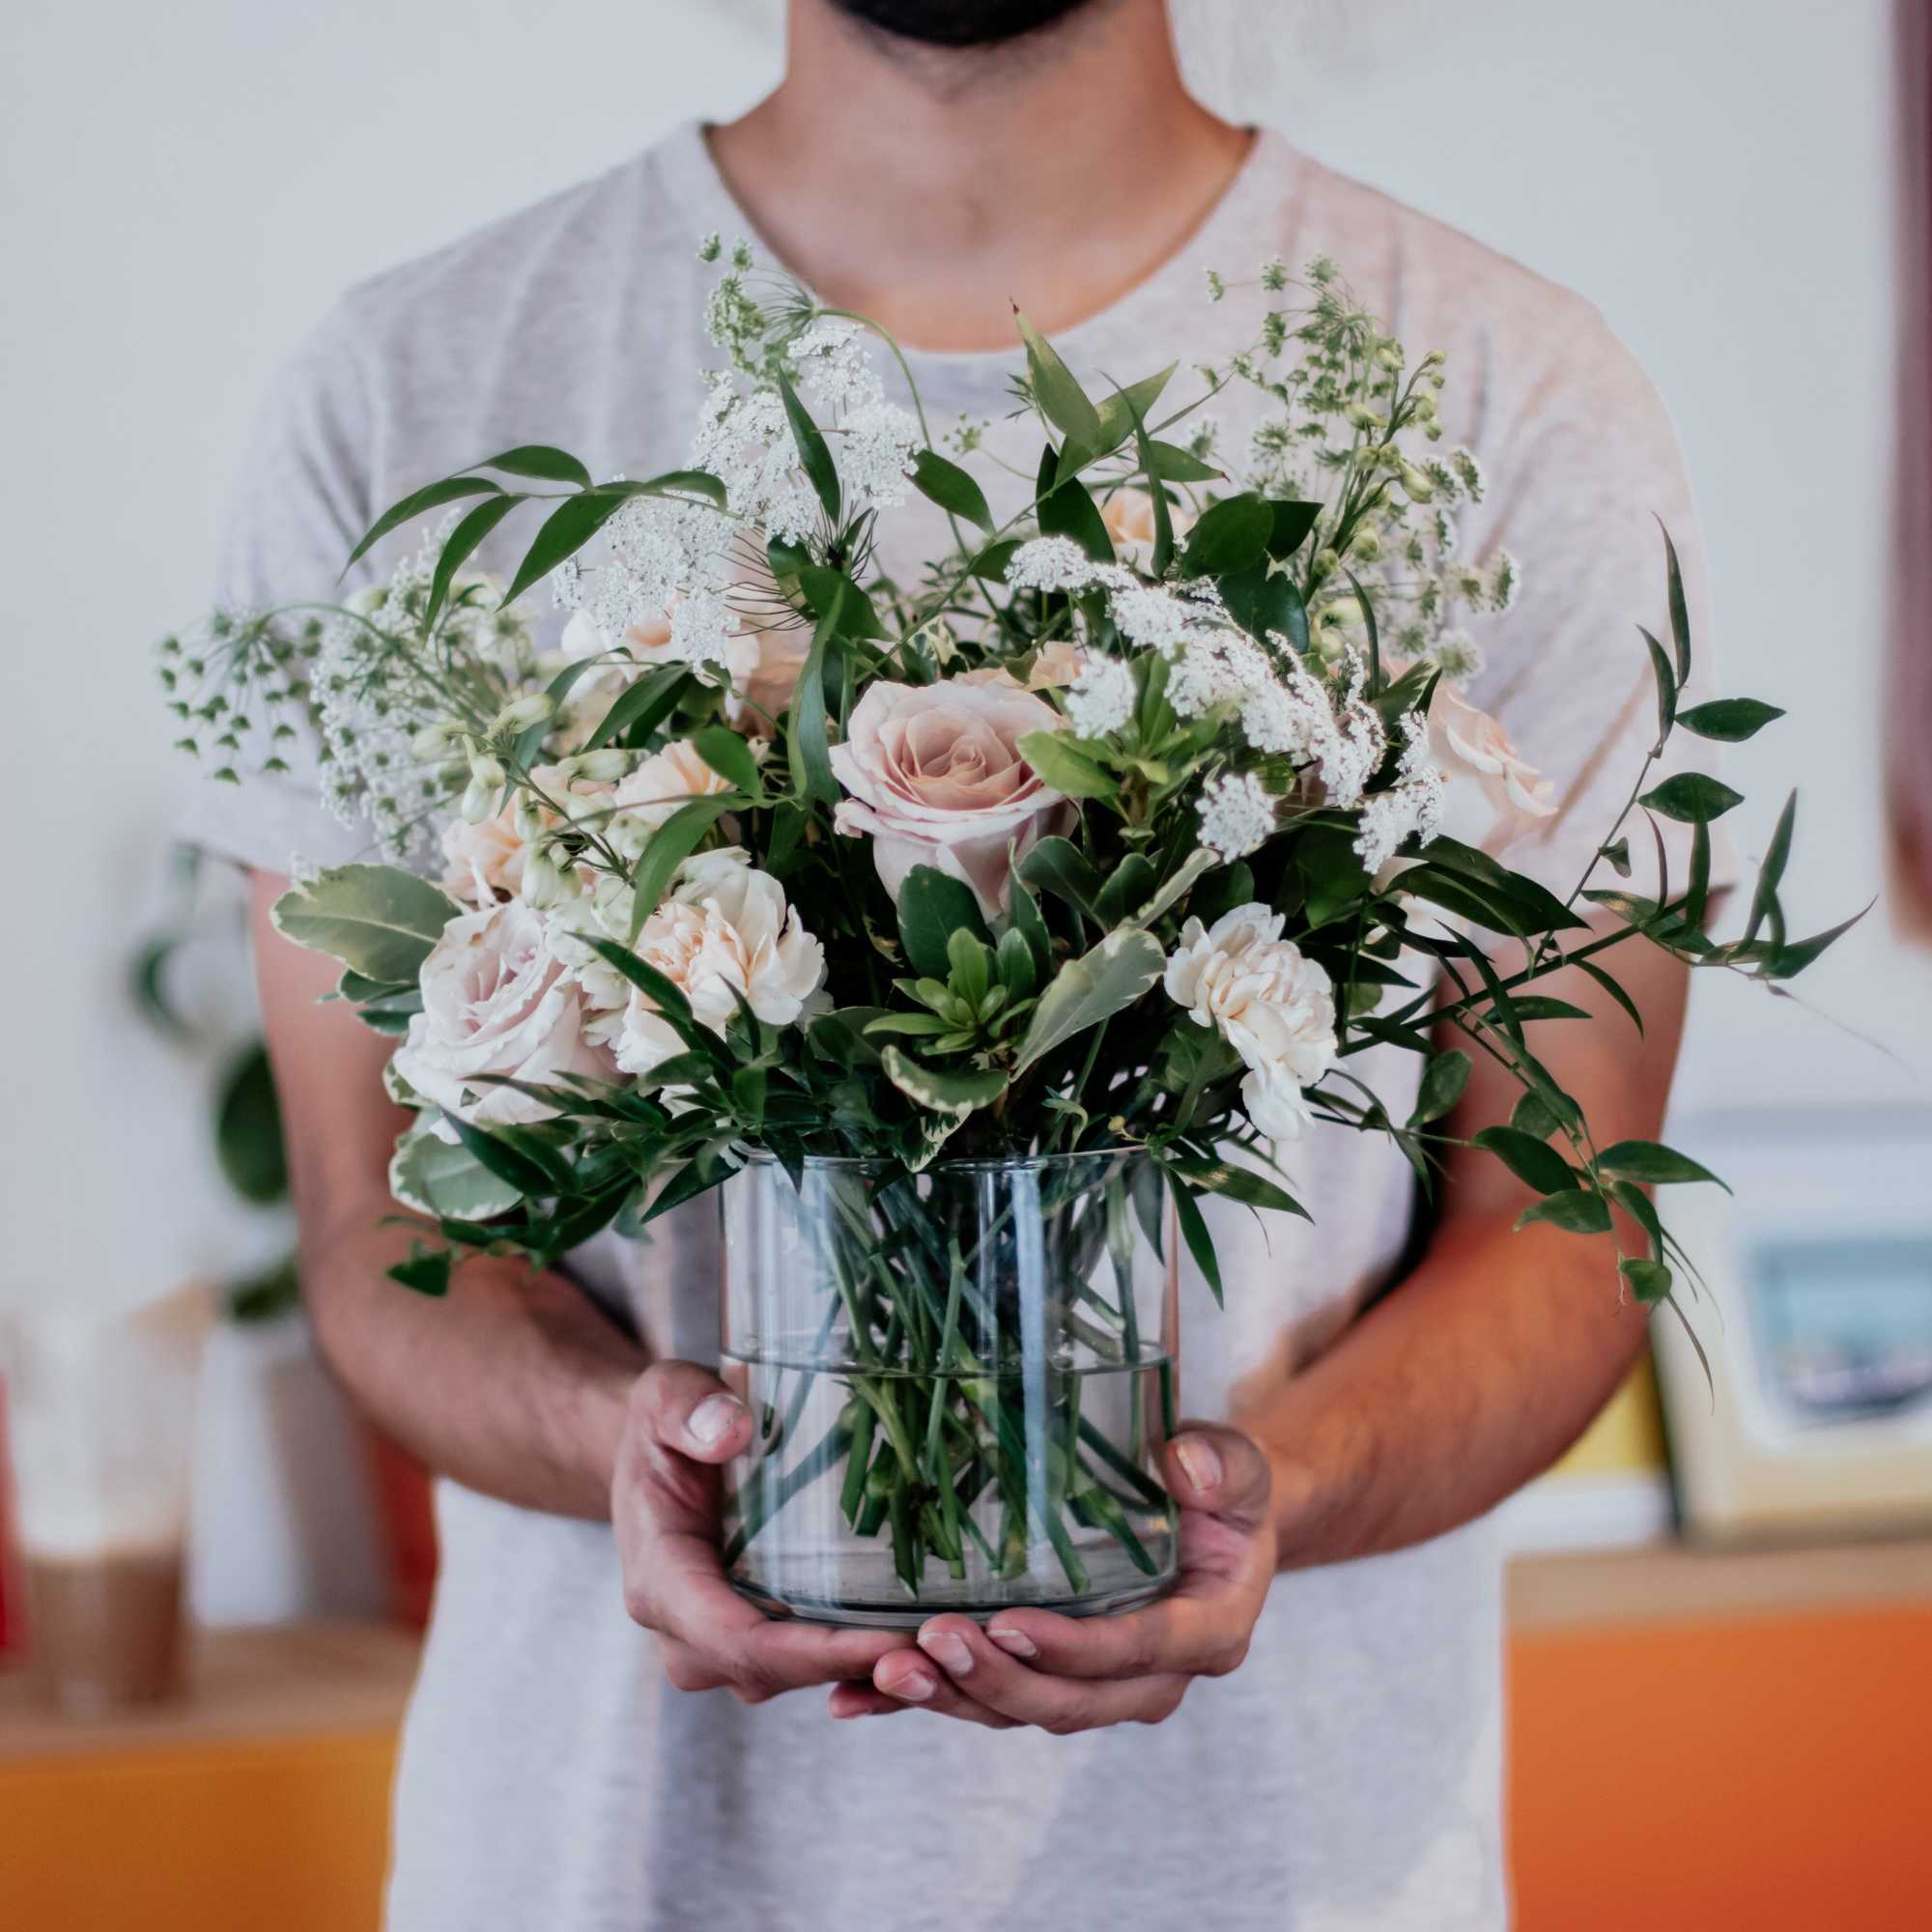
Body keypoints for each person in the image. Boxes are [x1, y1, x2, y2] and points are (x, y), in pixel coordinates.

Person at [198, 2, 1727, 1925]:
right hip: (598, 1872)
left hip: (1285, 1872)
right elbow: (377, 1225)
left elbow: (1564, 1228)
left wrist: (1255, 1496)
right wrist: (631, 1445)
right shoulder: (409, 382)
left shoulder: (1508, 395)